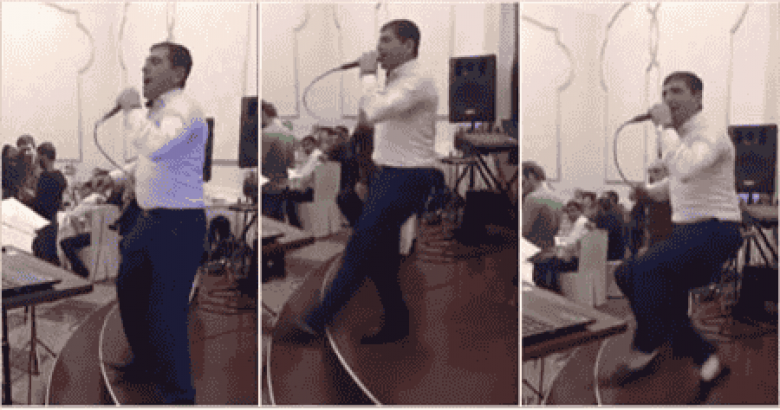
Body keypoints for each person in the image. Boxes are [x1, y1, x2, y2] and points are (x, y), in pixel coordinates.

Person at [283, 19, 445, 345]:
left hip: (409, 176)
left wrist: (368, 75)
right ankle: (397, 321)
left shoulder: (419, 80)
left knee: (361, 245)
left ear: (408, 45)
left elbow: (376, 110)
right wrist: (367, 175)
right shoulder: (395, 81)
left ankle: (315, 321)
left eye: (386, 40)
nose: (377, 48)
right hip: (389, 174)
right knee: (381, 256)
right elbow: (376, 127)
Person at [612, 72, 743, 390]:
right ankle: (697, 354)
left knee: (647, 271)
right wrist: (648, 192)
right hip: (688, 232)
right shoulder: (682, 137)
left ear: (697, 97)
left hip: (717, 229)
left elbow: (684, 168)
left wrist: (664, 128)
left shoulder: (711, 133)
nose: (668, 98)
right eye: (664, 92)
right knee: (626, 274)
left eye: (677, 91)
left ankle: (649, 346)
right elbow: (679, 184)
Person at [106, 41, 208, 405]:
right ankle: (146, 362)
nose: (144, 68)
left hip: (178, 223)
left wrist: (132, 109)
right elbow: (151, 159)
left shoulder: (184, 109)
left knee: (166, 312)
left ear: (178, 73)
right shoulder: (162, 110)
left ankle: (179, 395)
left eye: (155, 61)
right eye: (145, 60)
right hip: (149, 219)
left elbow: (158, 147)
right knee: (129, 290)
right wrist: (117, 177)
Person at [30, 142, 67, 265]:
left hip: (43, 221)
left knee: (43, 256)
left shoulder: (45, 177)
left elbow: (40, 201)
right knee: (50, 254)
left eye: (38, 155)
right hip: (53, 220)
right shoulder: (60, 176)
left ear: (44, 156)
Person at [261, 100, 295, 222]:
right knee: (279, 224)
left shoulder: (265, 133)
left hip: (268, 188)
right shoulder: (288, 133)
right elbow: (291, 163)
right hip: (283, 186)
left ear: (263, 113)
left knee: (267, 224)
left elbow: (261, 162)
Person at [522, 161, 566, 251]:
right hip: (550, 249)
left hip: (534, 250)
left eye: (523, 182)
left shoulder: (533, 198)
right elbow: (559, 230)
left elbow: (524, 231)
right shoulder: (558, 198)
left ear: (531, 176)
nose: (522, 187)